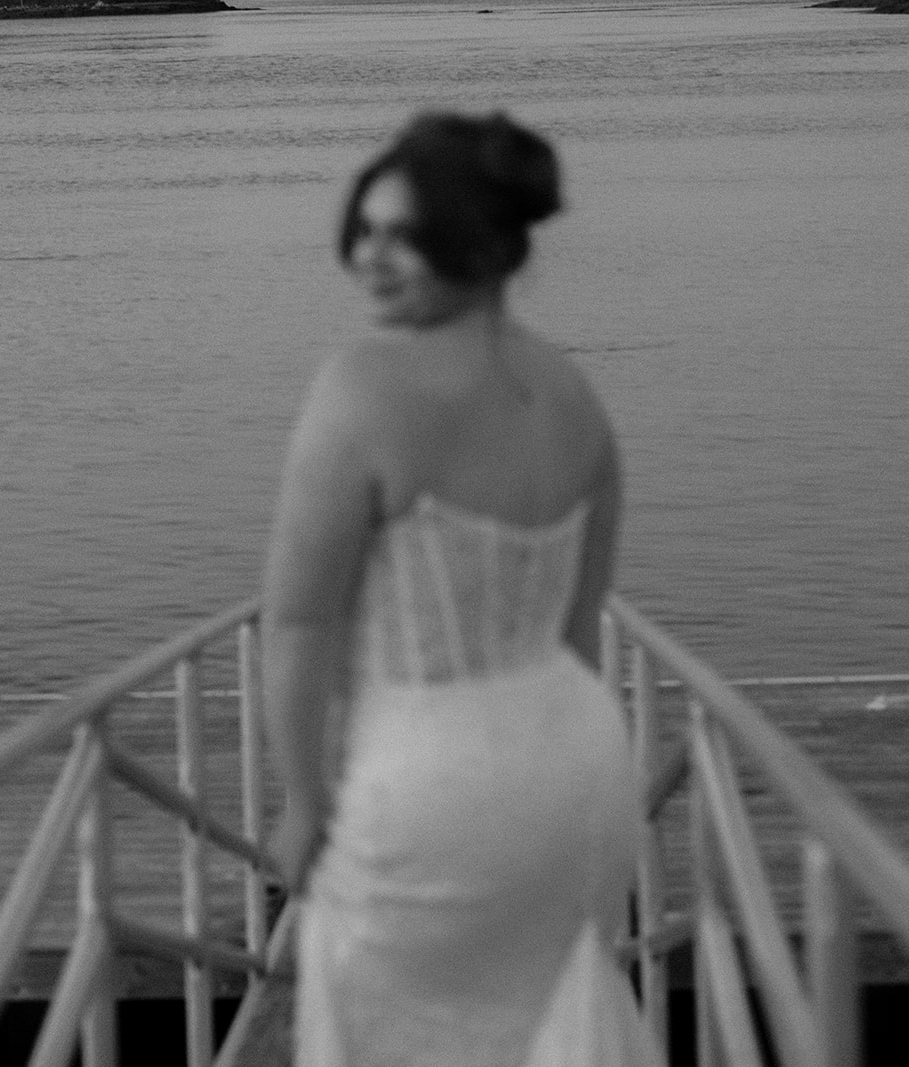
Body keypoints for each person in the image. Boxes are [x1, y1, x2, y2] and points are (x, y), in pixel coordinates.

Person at [261, 111, 660, 1066]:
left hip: (428, 791)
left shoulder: (361, 385)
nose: (370, 257)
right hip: (579, 774)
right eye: (364, 229)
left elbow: (300, 620)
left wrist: (303, 801)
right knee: (549, 1026)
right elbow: (577, 629)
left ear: (481, 246)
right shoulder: (573, 395)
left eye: (405, 235)